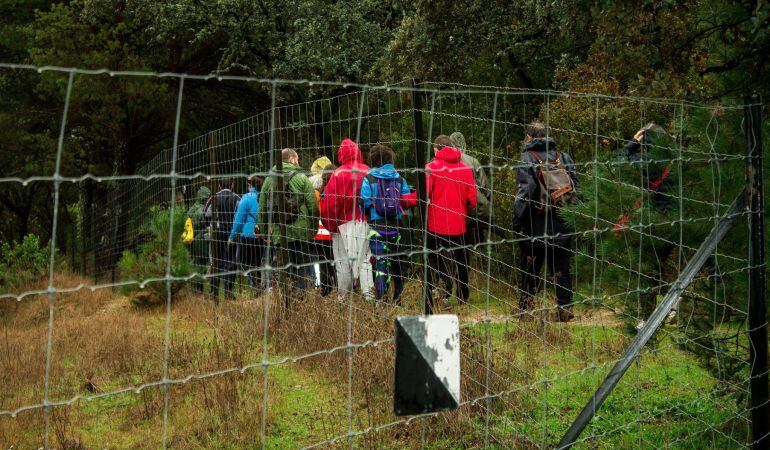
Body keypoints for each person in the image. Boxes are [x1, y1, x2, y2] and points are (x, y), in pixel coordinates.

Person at [512, 121, 579, 322]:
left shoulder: (527, 158)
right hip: (562, 220)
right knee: (561, 266)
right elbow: (577, 187)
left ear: (530, 137)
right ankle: (565, 307)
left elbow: (524, 193)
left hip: (535, 223)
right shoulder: (563, 157)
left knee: (530, 267)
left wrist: (517, 220)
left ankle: (526, 309)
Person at [425, 135, 477, 312]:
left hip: (436, 222)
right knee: (460, 258)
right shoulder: (465, 168)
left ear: (436, 149)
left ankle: (443, 291)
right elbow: (472, 198)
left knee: (438, 258)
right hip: (458, 222)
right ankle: (463, 293)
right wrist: (464, 210)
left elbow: (426, 193)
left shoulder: (431, 168)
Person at [257, 148, 319, 291]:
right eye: (297, 160)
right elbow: (313, 206)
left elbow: (262, 210)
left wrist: (265, 232)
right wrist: (313, 229)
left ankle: (288, 302)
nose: (298, 163)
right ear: (291, 159)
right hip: (301, 232)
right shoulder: (302, 178)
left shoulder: (268, 180)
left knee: (286, 271)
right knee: (303, 270)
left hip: (280, 232)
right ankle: (301, 300)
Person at [321, 138, 374, 300]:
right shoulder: (368, 171)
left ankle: (343, 298)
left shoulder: (338, 174)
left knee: (343, 262)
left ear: (341, 155)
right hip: (366, 220)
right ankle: (369, 295)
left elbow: (330, 204)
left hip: (343, 223)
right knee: (366, 259)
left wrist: (331, 226)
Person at [360, 145, 411, 304]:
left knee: (380, 262)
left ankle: (381, 299)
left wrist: (370, 214)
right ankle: (398, 297)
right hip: (396, 225)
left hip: (377, 227)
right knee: (397, 261)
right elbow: (407, 200)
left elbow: (364, 201)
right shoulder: (399, 178)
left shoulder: (368, 178)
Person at [450, 132, 492, 246]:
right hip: (474, 210)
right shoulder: (473, 161)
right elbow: (485, 188)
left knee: (458, 248)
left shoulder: (446, 163)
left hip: (455, 212)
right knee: (475, 246)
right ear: (464, 144)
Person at [205, 179, 240, 300]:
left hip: (217, 232)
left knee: (215, 261)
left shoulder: (213, 198)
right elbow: (239, 215)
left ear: (219, 186)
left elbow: (206, 215)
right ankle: (228, 291)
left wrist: (210, 226)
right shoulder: (236, 198)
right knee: (230, 261)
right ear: (232, 185)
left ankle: (213, 291)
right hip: (231, 233)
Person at [229, 175, 263, 293]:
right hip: (262, 235)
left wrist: (232, 236)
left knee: (242, 260)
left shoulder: (246, 198)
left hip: (247, 235)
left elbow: (239, 220)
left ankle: (255, 283)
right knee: (258, 261)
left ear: (250, 186)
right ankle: (260, 283)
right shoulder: (264, 196)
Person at [312, 159, 336, 297]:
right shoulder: (334, 191)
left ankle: (326, 291)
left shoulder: (317, 192)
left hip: (319, 234)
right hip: (332, 233)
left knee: (323, 263)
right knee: (336, 262)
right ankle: (339, 289)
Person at [186, 185, 211, 293]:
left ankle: (195, 288)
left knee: (194, 263)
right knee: (202, 265)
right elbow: (205, 225)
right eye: (207, 197)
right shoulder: (202, 210)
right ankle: (199, 288)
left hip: (191, 241)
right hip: (201, 241)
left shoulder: (191, 209)